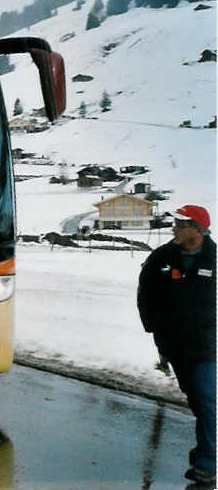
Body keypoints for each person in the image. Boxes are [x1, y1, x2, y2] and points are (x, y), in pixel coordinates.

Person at [137, 204, 216, 486]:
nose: (174, 229)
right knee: (196, 400)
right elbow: (145, 292)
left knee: (209, 401)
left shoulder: (214, 259)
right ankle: (204, 451)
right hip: (174, 346)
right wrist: (154, 329)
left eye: (180, 224)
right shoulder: (162, 257)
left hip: (208, 346)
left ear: (196, 230)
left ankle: (207, 464)